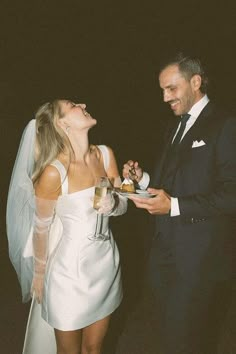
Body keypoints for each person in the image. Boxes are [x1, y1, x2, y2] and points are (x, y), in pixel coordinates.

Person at [123, 53, 236, 354]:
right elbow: (172, 184)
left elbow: (232, 194)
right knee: (169, 331)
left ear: (196, 82)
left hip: (198, 257)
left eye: (171, 89)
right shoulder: (174, 125)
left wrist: (174, 207)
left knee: (187, 338)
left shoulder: (226, 124)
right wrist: (143, 179)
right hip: (164, 249)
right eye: (162, 90)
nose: (164, 97)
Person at [7, 99, 127, 354]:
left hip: (106, 265)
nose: (82, 103)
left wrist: (115, 203)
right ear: (63, 123)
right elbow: (41, 228)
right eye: (73, 104)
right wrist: (39, 275)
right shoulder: (54, 173)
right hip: (69, 275)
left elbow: (123, 200)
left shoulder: (105, 154)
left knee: (94, 349)